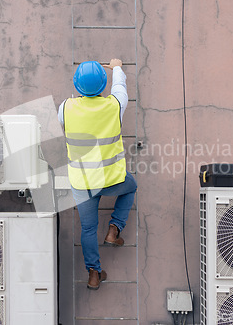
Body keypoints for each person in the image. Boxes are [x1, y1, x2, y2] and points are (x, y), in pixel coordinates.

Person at [58, 58, 137, 290]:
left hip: (82, 183)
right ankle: (114, 229)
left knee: (88, 229)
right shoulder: (115, 105)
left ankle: (94, 274)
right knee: (131, 186)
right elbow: (120, 87)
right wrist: (118, 67)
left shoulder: (65, 108)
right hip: (111, 179)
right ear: (103, 85)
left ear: (76, 85)